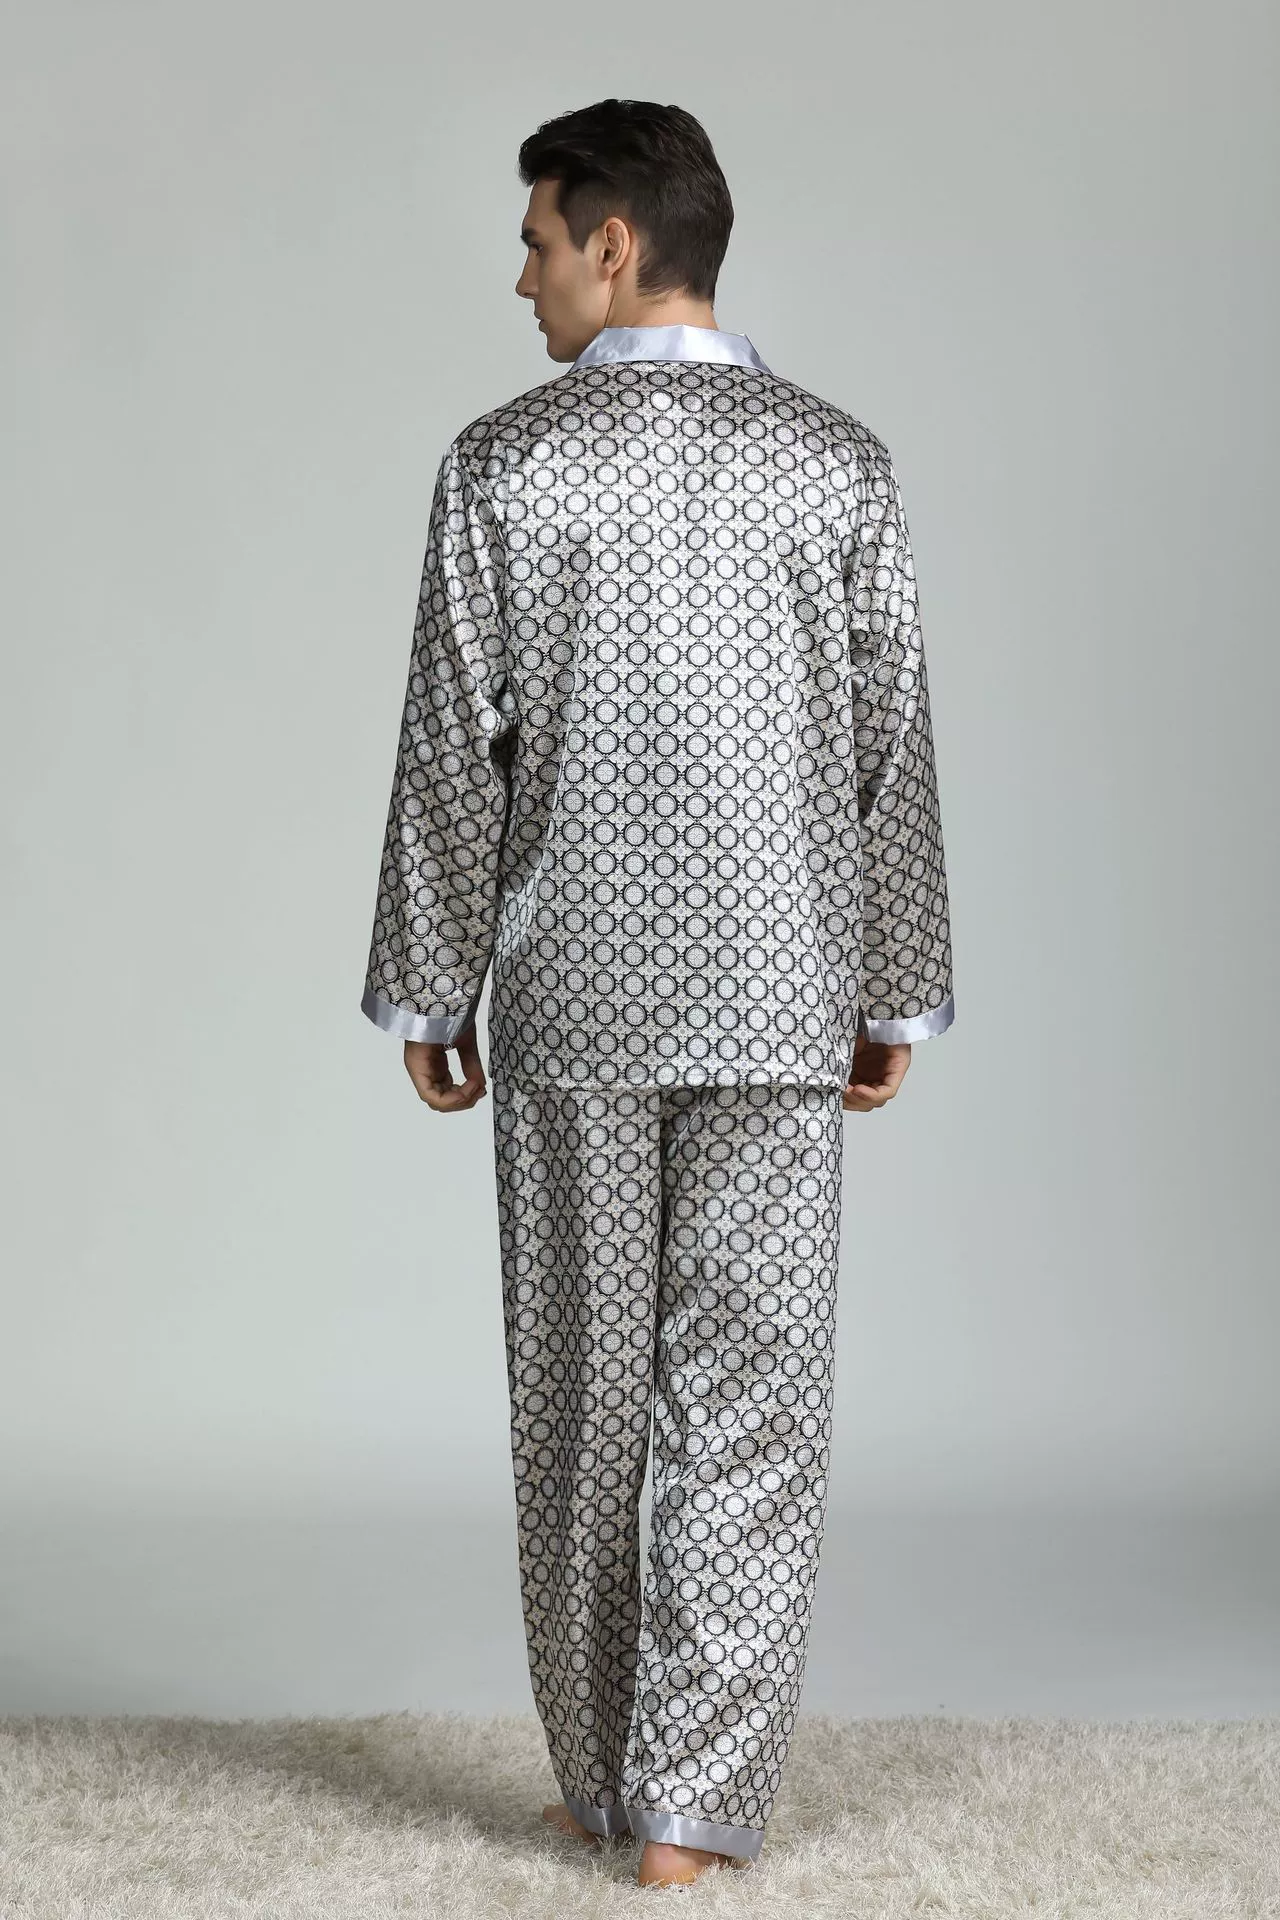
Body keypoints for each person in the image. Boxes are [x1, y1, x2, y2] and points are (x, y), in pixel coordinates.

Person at [359, 96, 955, 1888]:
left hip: (574, 1004)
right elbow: (892, 748)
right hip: (783, 996)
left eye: (538, 241)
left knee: (581, 1403)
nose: (522, 278)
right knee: (751, 1402)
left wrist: (430, 991)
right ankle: (688, 1812)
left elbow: (451, 752)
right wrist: (895, 989)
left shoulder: (502, 466)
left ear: (614, 245)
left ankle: (606, 1780)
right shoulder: (840, 464)